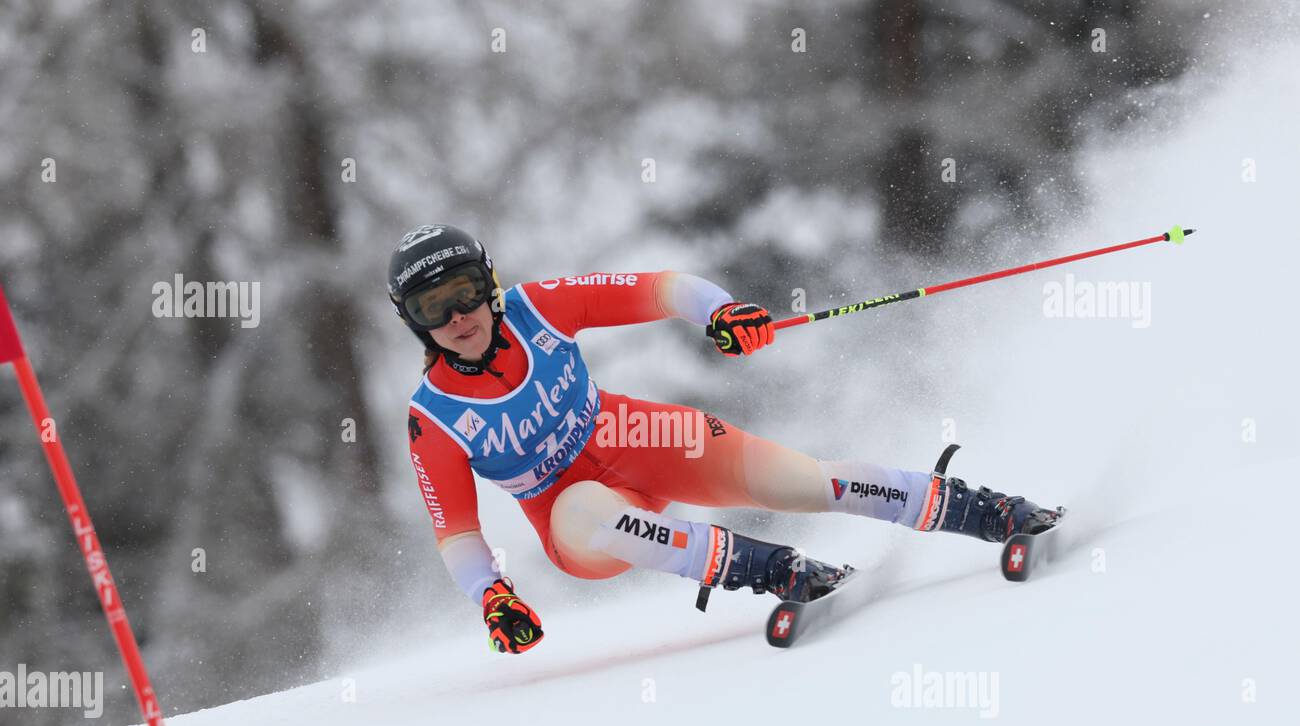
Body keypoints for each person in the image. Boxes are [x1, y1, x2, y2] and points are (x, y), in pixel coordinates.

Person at [390, 224, 1058, 654]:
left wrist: (719, 311)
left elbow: (658, 289)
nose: (456, 317)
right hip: (573, 523)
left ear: (490, 284)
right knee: (581, 509)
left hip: (631, 434)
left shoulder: (540, 306)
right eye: (431, 309)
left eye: (464, 293)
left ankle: (990, 512)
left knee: (799, 480)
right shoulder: (434, 416)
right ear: (414, 324)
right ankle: (781, 571)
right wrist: (493, 597)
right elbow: (457, 532)